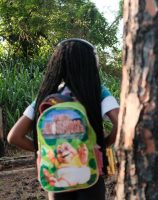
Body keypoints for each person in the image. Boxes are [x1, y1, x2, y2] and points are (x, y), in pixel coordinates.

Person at [7, 38, 119, 200]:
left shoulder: (47, 95)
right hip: (89, 173)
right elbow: (121, 123)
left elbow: (14, 137)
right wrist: (104, 143)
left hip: (56, 174)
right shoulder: (97, 91)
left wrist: (44, 150)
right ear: (91, 63)